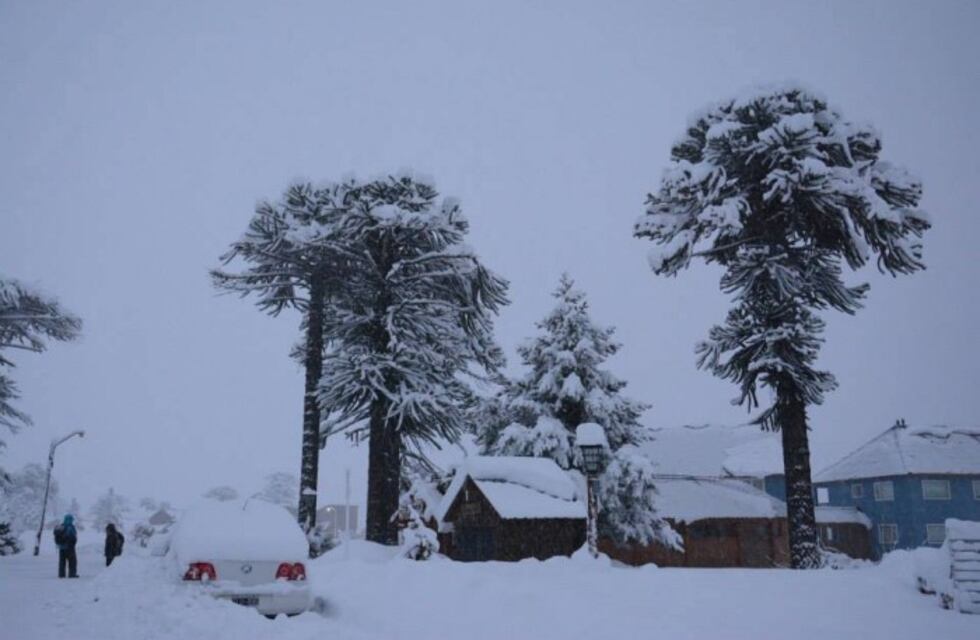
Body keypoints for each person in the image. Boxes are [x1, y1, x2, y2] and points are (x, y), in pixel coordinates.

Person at [53, 514, 78, 578]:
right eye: (72, 519)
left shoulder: (61, 526)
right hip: (70, 547)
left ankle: (61, 574)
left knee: (62, 562)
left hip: (61, 547)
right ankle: (72, 574)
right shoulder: (70, 527)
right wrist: (73, 543)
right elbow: (73, 537)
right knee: (72, 561)